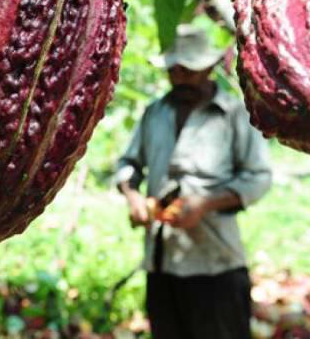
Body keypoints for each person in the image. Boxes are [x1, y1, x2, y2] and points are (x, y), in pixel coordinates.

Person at [114, 24, 273, 339]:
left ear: (210, 67)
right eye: (175, 71)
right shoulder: (154, 113)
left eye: (190, 70)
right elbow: (128, 164)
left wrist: (207, 203)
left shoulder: (233, 115)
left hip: (216, 264)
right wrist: (133, 196)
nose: (181, 78)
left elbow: (259, 177)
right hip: (162, 264)